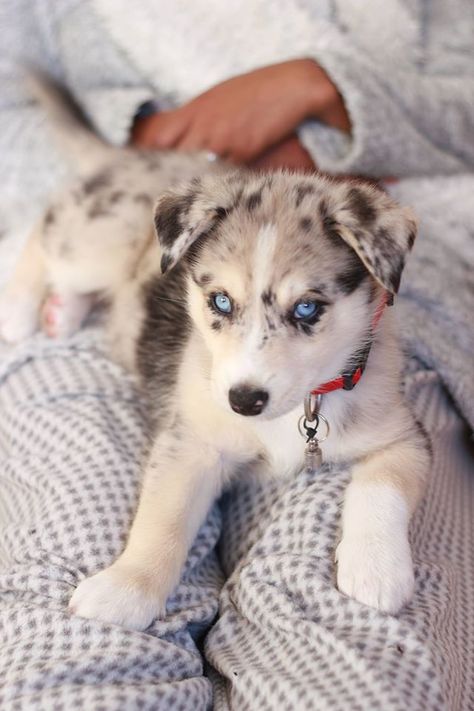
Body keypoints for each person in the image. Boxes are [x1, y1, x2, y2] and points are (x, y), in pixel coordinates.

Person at [0, 2, 473, 710]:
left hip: (405, 280)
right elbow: (191, 449)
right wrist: (143, 572)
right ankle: (45, 256)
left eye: (307, 312)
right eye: (218, 310)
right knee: (66, 625)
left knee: (361, 657)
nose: (248, 367)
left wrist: (324, 85)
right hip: (132, 244)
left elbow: (396, 445)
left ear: (376, 283)